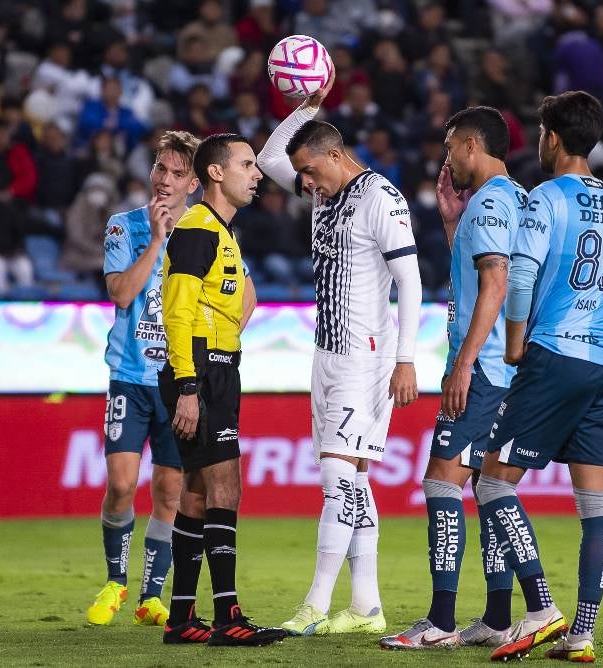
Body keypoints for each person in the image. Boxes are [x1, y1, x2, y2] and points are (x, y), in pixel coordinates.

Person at [258, 70, 422, 637]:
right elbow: (267, 157)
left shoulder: (382, 198)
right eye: (301, 174)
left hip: (367, 357)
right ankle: (367, 605)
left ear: (335, 155)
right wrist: (306, 107)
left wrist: (407, 359)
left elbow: (412, 283)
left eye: (310, 171)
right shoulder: (320, 188)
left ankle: (314, 604)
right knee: (353, 479)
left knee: (336, 475)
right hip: (325, 353)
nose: (304, 183)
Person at [475, 91, 603, 663]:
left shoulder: (546, 198)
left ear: (554, 138)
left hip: (553, 355)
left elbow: (522, 279)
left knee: (493, 484)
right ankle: (583, 635)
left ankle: (542, 607)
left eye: (542, 132)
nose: (539, 142)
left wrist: (515, 343)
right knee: (596, 506)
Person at [379, 106, 522, 650]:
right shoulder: (515, 199)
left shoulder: (488, 203)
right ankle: (498, 617)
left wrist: (462, 362)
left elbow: (494, 285)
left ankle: (440, 621)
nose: (446, 161)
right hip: (511, 367)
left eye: (448, 150)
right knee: (490, 487)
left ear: (469, 144)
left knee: (442, 480)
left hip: (482, 368)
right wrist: (450, 226)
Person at [157, 133, 282, 646]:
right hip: (200, 372)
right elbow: (177, 311)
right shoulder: (197, 231)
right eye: (247, 164)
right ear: (215, 173)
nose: (256, 174)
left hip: (215, 367)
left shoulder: (219, 232)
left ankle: (182, 616)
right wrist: (189, 384)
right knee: (225, 485)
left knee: (197, 490)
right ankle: (227, 614)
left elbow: (238, 302)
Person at [85, 130, 203, 628]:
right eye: (161, 169)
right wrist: (157, 240)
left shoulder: (205, 233)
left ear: (194, 183)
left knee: (170, 492)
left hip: (178, 382)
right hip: (131, 377)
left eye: (178, 173)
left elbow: (239, 299)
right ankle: (115, 580)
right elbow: (121, 293)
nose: (166, 180)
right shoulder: (123, 226)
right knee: (121, 483)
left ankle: (150, 597)